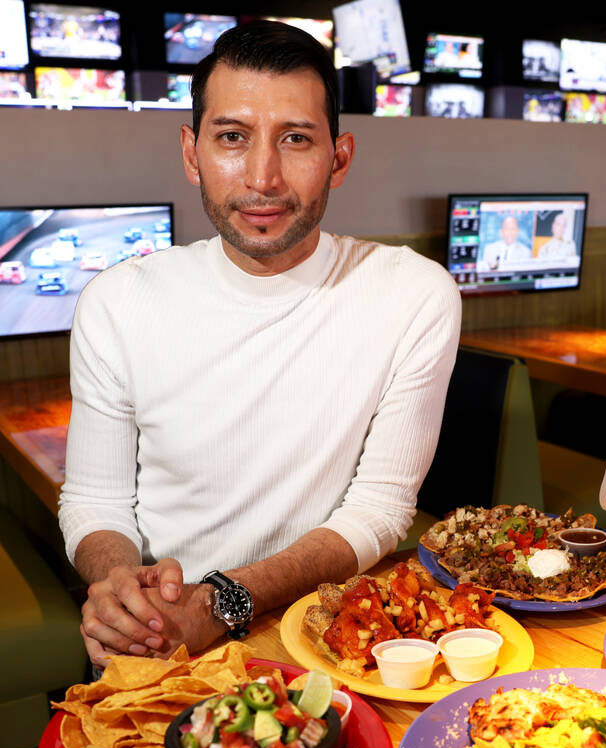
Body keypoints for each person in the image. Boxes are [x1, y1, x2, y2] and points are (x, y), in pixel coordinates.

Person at [61, 20, 461, 669]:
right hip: (155, 641)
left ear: (339, 155)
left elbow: (381, 510)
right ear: (192, 153)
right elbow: (95, 501)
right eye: (231, 138)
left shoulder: (412, 293)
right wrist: (119, 591)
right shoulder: (119, 300)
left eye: (296, 139)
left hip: (330, 636)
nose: (263, 176)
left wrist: (222, 600)